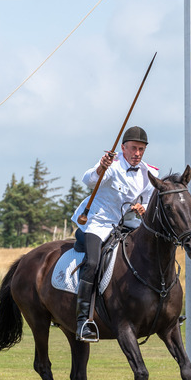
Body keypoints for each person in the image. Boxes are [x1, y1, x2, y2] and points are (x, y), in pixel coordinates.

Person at [70, 125, 158, 342]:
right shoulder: (112, 164)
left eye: (141, 149)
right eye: (134, 148)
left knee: (150, 254)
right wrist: (101, 167)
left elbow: (148, 199)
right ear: (123, 148)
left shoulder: (150, 172)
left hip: (127, 225)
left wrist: (142, 208)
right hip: (97, 223)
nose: (137, 154)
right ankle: (83, 321)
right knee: (92, 263)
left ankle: (162, 308)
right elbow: (89, 180)